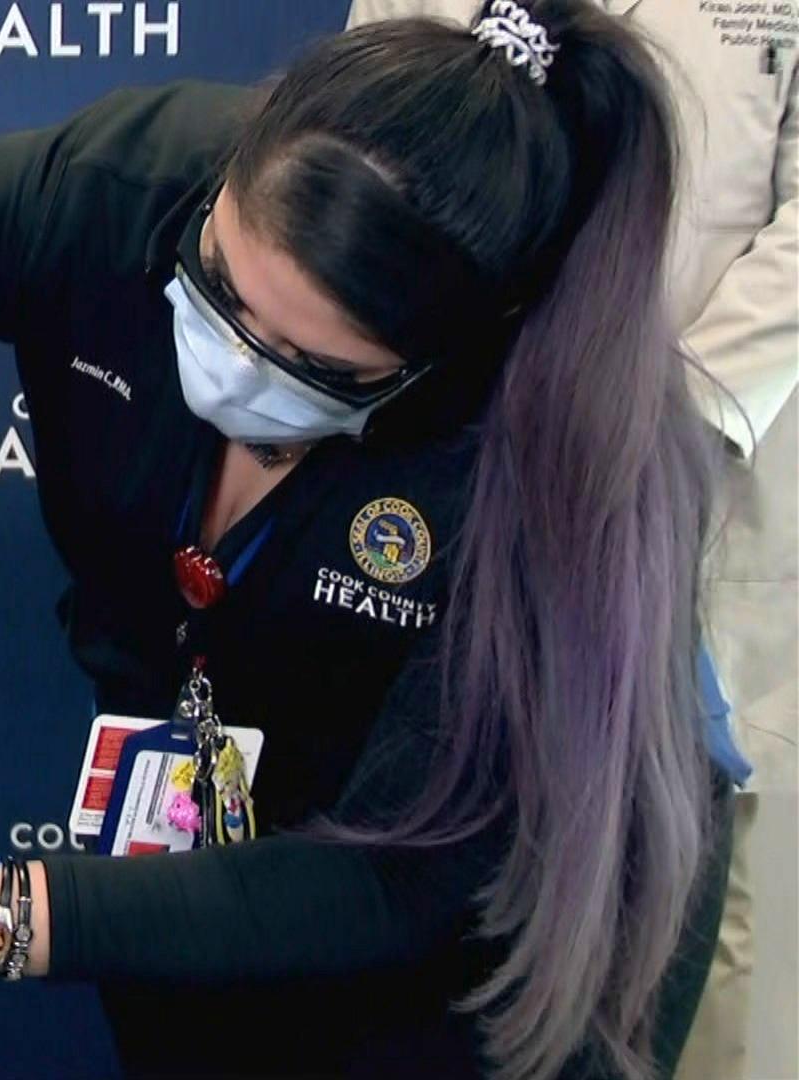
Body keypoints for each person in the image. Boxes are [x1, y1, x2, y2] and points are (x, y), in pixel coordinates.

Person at [0, 1, 733, 1076]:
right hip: (181, 862)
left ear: (445, 358)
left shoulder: (561, 453)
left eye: (316, 370)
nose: (236, 364)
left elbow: (404, 880)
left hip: (485, 974)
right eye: (220, 288)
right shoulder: (130, 184)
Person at [342, 7, 796, 1079]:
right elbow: (365, 143)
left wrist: (647, 415)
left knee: (678, 880)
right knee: (419, 853)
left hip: (691, 472)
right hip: (440, 478)